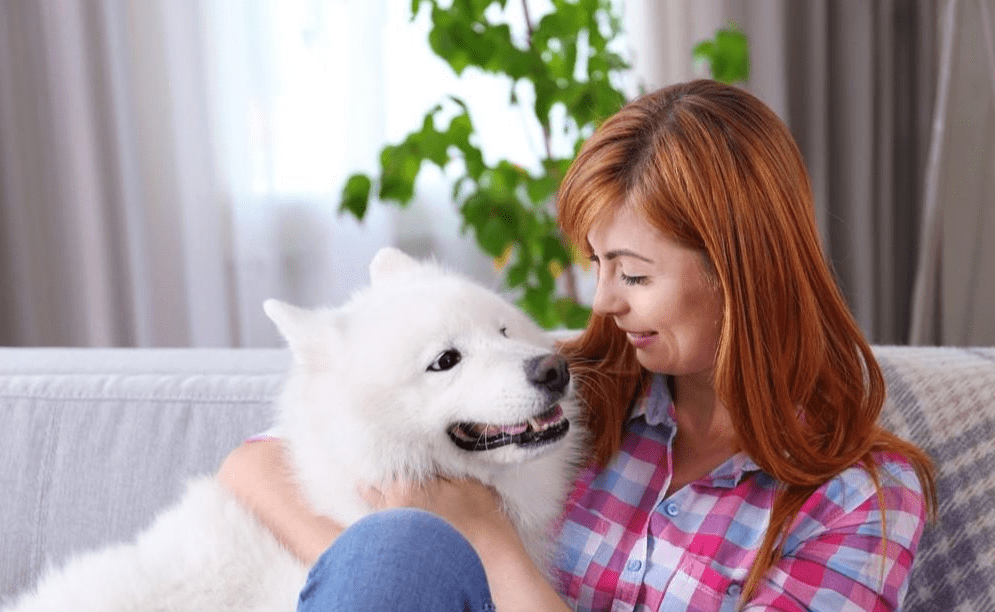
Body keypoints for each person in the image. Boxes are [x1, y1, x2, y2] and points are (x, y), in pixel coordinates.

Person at [218, 79, 936, 611]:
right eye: (597, 264)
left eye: (634, 273)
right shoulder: (561, 386)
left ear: (738, 269)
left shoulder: (861, 500)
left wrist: (488, 542)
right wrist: (410, 571)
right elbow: (255, 466)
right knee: (395, 546)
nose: (604, 302)